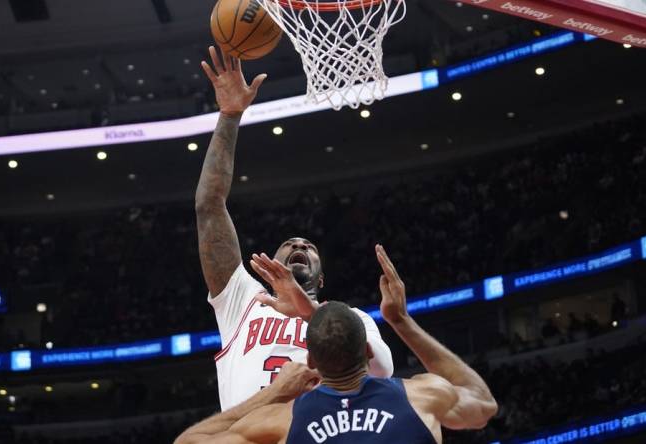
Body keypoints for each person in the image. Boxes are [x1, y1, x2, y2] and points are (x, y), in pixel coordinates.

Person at [195, 46, 393, 411]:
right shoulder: (243, 300)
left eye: (309, 247)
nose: (300, 244)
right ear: (271, 264)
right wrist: (229, 115)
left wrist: (308, 312)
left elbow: (382, 370)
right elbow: (209, 208)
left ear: (320, 281)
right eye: (289, 243)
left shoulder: (351, 319)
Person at [174, 245, 497, 444]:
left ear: (310, 360)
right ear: (368, 351)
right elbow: (483, 403)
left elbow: (189, 442)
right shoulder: (421, 396)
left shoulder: (284, 419)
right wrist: (401, 321)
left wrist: (274, 392)